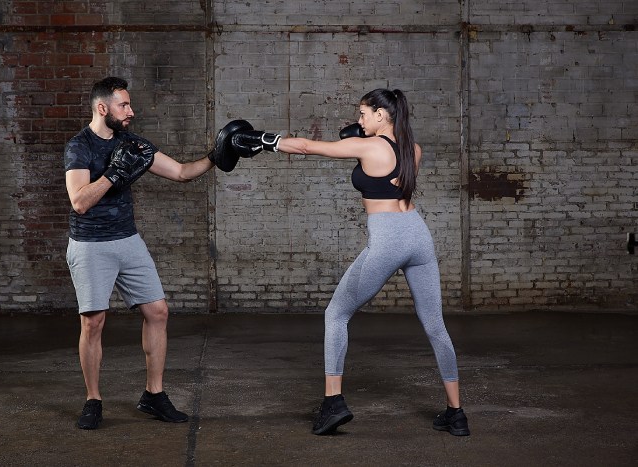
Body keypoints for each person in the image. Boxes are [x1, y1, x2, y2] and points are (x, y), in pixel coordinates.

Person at [232, 88, 470, 436]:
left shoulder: (368, 147)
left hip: (387, 239)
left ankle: (333, 404)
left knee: (336, 313)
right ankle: (457, 413)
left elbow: (307, 147)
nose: (358, 120)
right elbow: (392, 182)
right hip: (418, 237)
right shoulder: (413, 150)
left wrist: (261, 140)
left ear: (380, 115)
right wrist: (362, 136)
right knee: (435, 325)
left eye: (363, 113)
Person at [64, 76, 215, 430]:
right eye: (124, 106)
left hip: (128, 240)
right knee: (93, 322)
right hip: (90, 244)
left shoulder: (132, 142)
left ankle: (154, 395)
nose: (131, 111)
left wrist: (217, 156)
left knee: (158, 312)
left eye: (129, 105)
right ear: (103, 108)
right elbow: (79, 202)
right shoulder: (79, 146)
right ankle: (93, 399)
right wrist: (115, 174)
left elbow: (180, 172)